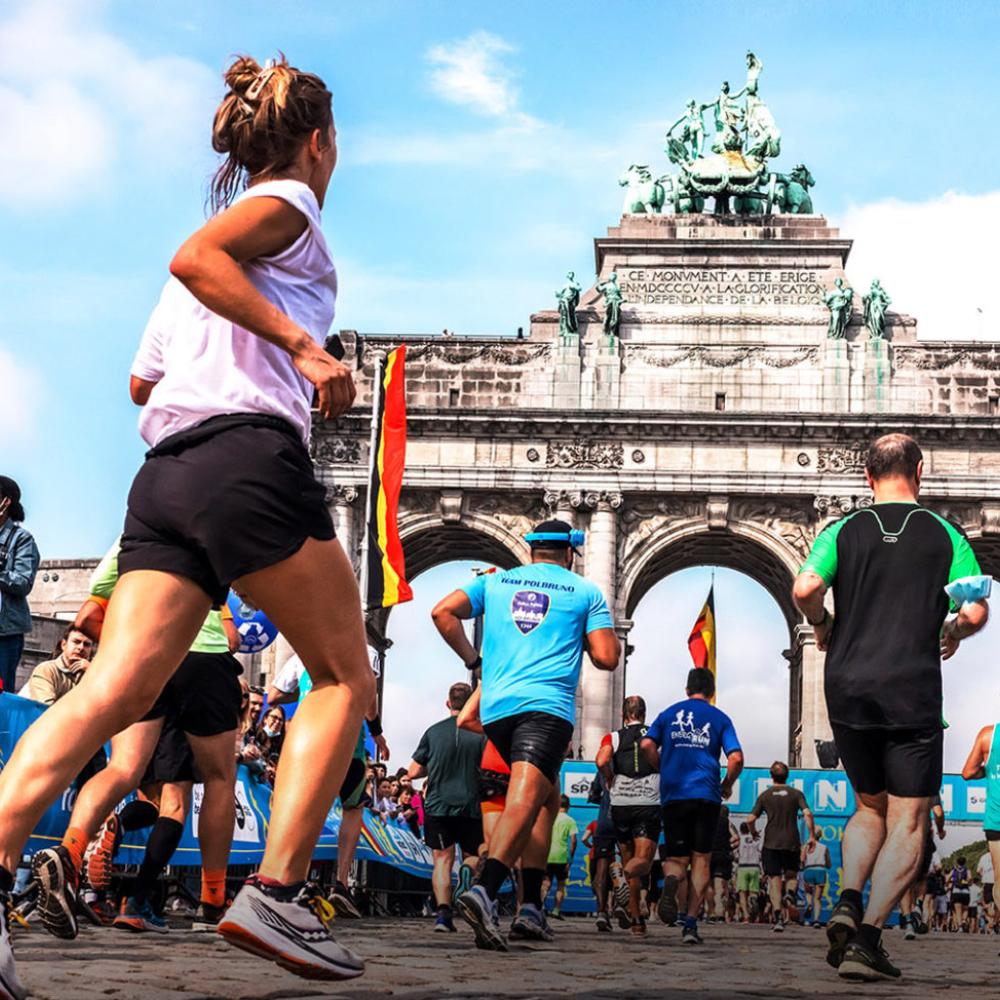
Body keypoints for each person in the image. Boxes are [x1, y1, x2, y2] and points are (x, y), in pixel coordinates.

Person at [0, 54, 374, 992]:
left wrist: (245, 347)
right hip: (247, 461)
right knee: (343, 678)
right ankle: (277, 895)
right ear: (319, 141)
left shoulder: (220, 259)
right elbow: (195, 258)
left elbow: (143, 380)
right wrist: (302, 349)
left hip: (166, 473)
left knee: (107, 695)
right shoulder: (291, 204)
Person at [795, 433, 990, 981]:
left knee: (868, 807)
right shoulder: (946, 533)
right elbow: (975, 613)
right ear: (920, 472)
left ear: (867, 476)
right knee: (909, 819)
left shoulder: (841, 529)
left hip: (847, 685)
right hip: (912, 687)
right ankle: (868, 939)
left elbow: (805, 588)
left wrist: (822, 623)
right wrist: (952, 629)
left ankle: (847, 898)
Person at [30, 536, 243, 939]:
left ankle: (70, 853)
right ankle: (212, 900)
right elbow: (240, 618)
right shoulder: (220, 519)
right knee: (216, 780)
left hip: (145, 651)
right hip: (203, 654)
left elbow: (97, 591)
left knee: (123, 768)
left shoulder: (144, 521)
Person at [432, 518, 620, 950]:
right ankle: (486, 889)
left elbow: (442, 612)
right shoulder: (585, 590)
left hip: (498, 710)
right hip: (545, 709)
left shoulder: (495, 582)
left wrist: (475, 662)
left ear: (531, 550)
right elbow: (607, 658)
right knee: (525, 800)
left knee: (548, 797)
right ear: (569, 553)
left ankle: (531, 906)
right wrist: (585, 635)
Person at [267, 653, 388, 920]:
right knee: (353, 808)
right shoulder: (364, 649)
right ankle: (341, 883)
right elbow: (369, 695)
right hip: (348, 740)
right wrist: (376, 731)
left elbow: (273, 695)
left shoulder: (300, 655)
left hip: (309, 736)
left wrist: (306, 694)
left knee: (306, 809)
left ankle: (295, 881)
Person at [640, 668, 743, 945]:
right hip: (706, 795)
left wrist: (663, 768)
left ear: (687, 689)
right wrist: (727, 784)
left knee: (677, 858)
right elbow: (736, 758)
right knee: (701, 859)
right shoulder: (720, 718)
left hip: (674, 794)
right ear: (711, 691)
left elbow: (647, 744)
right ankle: (690, 923)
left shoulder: (668, 714)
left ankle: (672, 880)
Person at [406, 682, 485, 934]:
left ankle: (442, 915)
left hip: (438, 804)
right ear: (473, 703)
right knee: (474, 855)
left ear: (448, 703)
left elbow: (413, 772)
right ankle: (467, 870)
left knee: (442, 860)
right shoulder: (482, 732)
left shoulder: (433, 732)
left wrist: (434, 766)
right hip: (472, 804)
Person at [596, 695, 661, 936]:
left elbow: (601, 760)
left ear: (624, 715)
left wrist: (609, 778)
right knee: (642, 861)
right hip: (647, 801)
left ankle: (636, 921)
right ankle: (622, 877)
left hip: (620, 803)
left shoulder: (613, 736)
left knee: (628, 858)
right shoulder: (655, 734)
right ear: (644, 714)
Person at [748, 761, 816, 934]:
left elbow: (750, 819)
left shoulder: (765, 795)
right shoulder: (796, 794)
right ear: (787, 775)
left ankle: (778, 918)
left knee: (774, 880)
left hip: (771, 843)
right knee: (792, 875)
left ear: (771, 776)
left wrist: (753, 832)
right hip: (791, 841)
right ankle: (790, 893)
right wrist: (812, 836)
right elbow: (808, 814)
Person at [0, 476, 40, 694]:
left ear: (5, 502)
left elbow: (23, 582)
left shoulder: (21, 539)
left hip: (4, 634)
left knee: (1, 695)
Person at [962, 716, 1000, 934]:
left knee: (999, 880)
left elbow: (967, 772)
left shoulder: (988, 735)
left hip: (997, 818)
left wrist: (988, 770)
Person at [22, 627, 94, 705]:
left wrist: (92, 671)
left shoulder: (91, 673)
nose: (81, 648)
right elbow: (45, 706)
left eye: (87, 645)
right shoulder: (46, 669)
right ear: (63, 645)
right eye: (76, 642)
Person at [543, 796, 578, 920]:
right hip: (562, 857)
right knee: (560, 885)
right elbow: (573, 841)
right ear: (568, 806)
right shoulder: (570, 820)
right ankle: (556, 911)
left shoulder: (549, 817)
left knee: (546, 883)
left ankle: (540, 907)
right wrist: (570, 858)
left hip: (547, 854)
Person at [708, 805, 737, 924]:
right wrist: (728, 846)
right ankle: (719, 912)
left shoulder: (708, 821)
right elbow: (736, 838)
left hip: (708, 855)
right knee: (719, 885)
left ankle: (710, 912)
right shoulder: (727, 823)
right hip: (722, 855)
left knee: (708, 885)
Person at [802, 830, 831, 927]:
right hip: (820, 871)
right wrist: (827, 865)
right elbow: (828, 863)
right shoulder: (824, 847)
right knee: (818, 898)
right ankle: (816, 920)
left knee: (808, 894)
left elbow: (802, 859)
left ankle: (809, 905)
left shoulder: (806, 846)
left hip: (808, 870)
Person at [735, 821, 762, 923]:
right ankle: (753, 899)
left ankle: (746, 916)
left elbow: (736, 854)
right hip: (754, 867)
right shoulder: (756, 839)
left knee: (742, 892)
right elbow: (760, 853)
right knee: (753, 891)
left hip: (743, 867)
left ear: (741, 830)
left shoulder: (739, 839)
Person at [949, 857, 972, 931]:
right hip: (965, 891)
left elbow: (947, 879)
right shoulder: (967, 870)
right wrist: (965, 881)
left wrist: (951, 881)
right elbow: (970, 878)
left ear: (957, 862)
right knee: (965, 909)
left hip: (956, 891)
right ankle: (964, 920)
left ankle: (960, 927)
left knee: (958, 911)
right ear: (965, 862)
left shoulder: (954, 870)